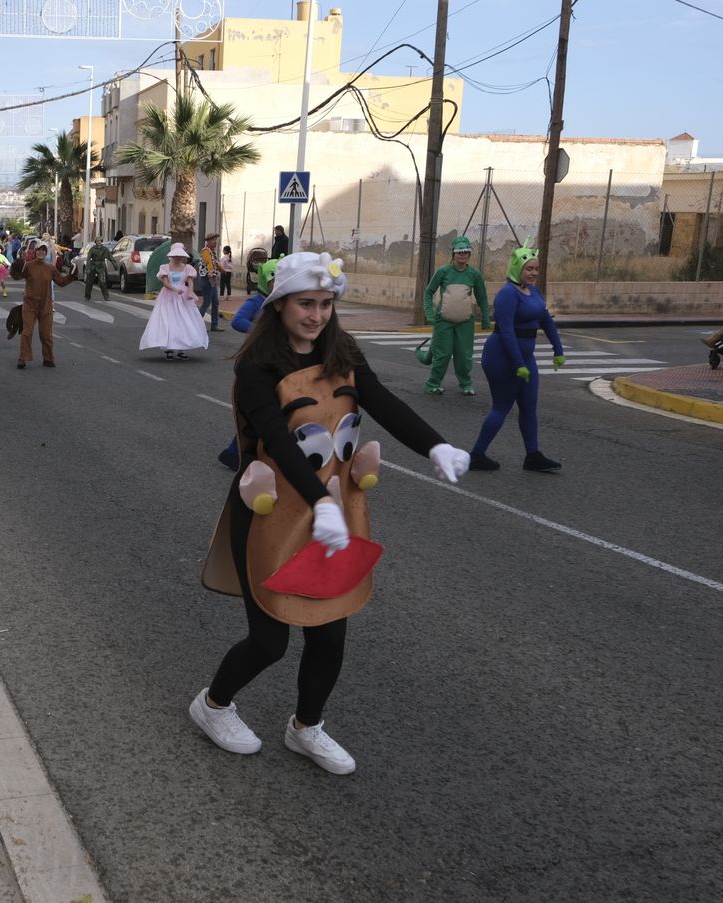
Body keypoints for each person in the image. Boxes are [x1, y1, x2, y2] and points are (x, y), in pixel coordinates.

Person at [190, 251, 469, 773]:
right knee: (270, 639)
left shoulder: (343, 351)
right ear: (280, 306)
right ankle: (212, 705)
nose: (316, 315)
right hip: (271, 509)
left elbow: (383, 402)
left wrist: (435, 445)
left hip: (334, 511)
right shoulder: (257, 367)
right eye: (305, 304)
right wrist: (319, 502)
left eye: (324, 304)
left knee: (330, 630)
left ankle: (306, 728)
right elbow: (277, 438)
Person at [468, 245, 565, 473]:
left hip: (525, 357)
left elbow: (546, 321)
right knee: (501, 407)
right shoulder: (507, 294)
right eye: (528, 269)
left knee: (529, 407)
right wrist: (518, 364)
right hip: (502, 357)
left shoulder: (534, 292)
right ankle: (476, 455)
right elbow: (508, 332)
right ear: (517, 268)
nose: (533, 273)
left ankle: (533, 455)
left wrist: (558, 350)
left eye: (536, 269)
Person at [217, 258, 279, 471]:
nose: (277, 285)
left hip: (279, 362)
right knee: (257, 411)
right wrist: (259, 330)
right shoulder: (256, 302)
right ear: (264, 281)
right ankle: (236, 453)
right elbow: (237, 321)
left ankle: (237, 454)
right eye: (273, 280)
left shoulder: (284, 302)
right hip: (257, 362)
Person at [420, 236, 490, 396]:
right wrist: (429, 313)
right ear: (453, 253)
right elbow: (428, 292)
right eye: (459, 251)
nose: (463, 254)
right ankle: (433, 383)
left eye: (466, 251)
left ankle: (466, 383)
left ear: (469, 254)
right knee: (442, 355)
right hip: (443, 322)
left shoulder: (474, 274)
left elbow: (482, 297)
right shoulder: (443, 271)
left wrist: (486, 316)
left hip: (465, 323)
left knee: (464, 356)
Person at [10, 241, 75, 368]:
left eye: (43, 250)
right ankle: (23, 358)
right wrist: (15, 268)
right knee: (27, 332)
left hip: (45, 305)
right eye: (39, 250)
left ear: (46, 253)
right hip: (30, 305)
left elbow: (61, 282)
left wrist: (72, 275)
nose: (41, 252)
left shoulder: (50, 268)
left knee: (46, 334)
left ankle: (48, 358)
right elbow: (17, 276)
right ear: (35, 252)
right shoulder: (28, 266)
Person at [139, 243, 207, 361]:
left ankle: (181, 348)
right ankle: (169, 348)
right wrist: (175, 289)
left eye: (180, 256)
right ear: (171, 255)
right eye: (176, 255)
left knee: (183, 321)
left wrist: (190, 292)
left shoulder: (187, 268)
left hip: (183, 297)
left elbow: (190, 282)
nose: (178, 258)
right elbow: (165, 283)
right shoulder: (165, 268)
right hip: (168, 296)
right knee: (169, 321)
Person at [196, 234, 223, 332]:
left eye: (216, 240)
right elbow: (209, 263)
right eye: (213, 240)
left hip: (212, 280)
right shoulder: (205, 251)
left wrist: (223, 270)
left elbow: (216, 263)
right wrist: (211, 272)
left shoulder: (212, 252)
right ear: (208, 241)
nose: (215, 242)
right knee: (207, 302)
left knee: (215, 302)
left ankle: (214, 325)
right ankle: (196, 325)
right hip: (207, 279)